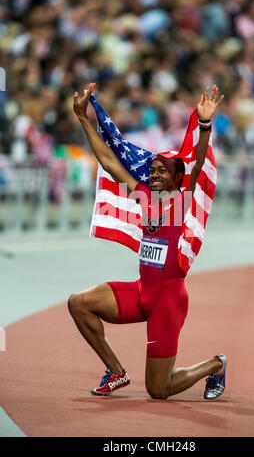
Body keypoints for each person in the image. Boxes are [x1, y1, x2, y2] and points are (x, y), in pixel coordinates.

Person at [68, 82, 226, 400]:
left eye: (161, 171)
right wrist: (84, 119)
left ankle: (215, 365)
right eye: (151, 170)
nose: (153, 174)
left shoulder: (183, 199)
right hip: (142, 292)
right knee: (79, 303)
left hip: (168, 302)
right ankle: (116, 371)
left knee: (159, 389)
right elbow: (111, 163)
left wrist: (205, 124)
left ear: (176, 178)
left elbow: (195, 164)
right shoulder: (143, 196)